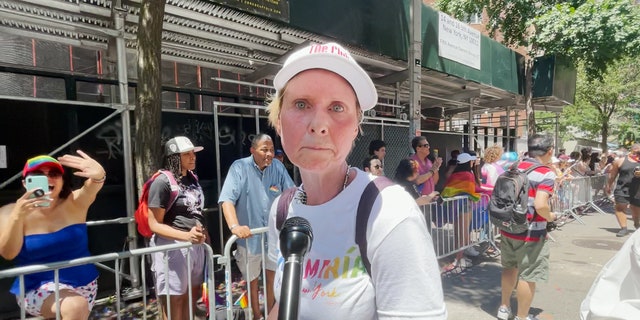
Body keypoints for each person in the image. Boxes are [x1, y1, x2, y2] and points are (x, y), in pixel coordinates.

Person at [266, 42, 446, 319]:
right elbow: (283, 304)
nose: (318, 123)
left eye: (337, 108)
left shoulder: (389, 210)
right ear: (279, 121)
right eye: (301, 104)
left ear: (356, 128)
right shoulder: (281, 210)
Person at [0, 152, 106, 319]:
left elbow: (91, 187)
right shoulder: (8, 212)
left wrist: (99, 175)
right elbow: (8, 253)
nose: (47, 178)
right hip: (36, 287)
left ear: (62, 180)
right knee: (75, 306)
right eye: (38, 174)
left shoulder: (74, 202)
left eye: (54, 174)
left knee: (75, 306)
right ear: (25, 182)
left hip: (85, 284)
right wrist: (17, 217)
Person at [219, 133, 295, 320]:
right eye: (264, 150)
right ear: (253, 150)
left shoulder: (277, 166)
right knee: (252, 281)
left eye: (271, 149)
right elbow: (226, 200)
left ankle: (270, 315)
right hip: (249, 239)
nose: (269, 153)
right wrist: (235, 226)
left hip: (273, 238)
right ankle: (256, 314)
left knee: (272, 278)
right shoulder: (239, 167)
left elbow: (291, 194)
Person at [497, 134, 557, 320]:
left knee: (509, 268)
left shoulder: (513, 167)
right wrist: (552, 216)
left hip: (508, 228)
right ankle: (522, 317)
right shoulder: (546, 173)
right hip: (531, 233)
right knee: (528, 275)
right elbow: (541, 205)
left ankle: (504, 307)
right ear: (549, 151)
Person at [148, 136, 207, 320]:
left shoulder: (192, 179)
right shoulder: (162, 182)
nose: (193, 157)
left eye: (193, 153)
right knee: (176, 300)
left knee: (191, 296)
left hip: (196, 247)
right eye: (187, 154)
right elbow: (154, 224)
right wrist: (186, 236)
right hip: (172, 249)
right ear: (174, 157)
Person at [440, 152, 484, 267]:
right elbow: (471, 190)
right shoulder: (468, 174)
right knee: (463, 233)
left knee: (458, 232)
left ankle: (458, 258)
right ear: (468, 162)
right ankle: (459, 260)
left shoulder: (455, 174)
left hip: (454, 205)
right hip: (465, 205)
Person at [605, 143, 640, 237]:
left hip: (638, 190)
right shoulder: (620, 161)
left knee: (636, 209)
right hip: (622, 189)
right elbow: (612, 175)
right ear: (633, 150)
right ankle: (624, 228)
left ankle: (637, 223)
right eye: (637, 150)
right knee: (620, 207)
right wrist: (608, 185)